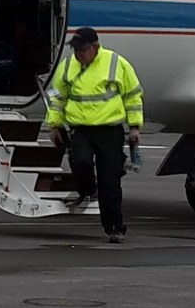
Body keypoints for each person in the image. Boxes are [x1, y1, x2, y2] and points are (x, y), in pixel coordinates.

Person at [44, 26, 145, 242]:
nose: (78, 55)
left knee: (111, 182)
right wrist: (54, 125)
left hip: (110, 131)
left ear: (96, 47)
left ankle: (114, 228)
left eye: (82, 50)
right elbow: (56, 96)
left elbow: (133, 96)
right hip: (81, 129)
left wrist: (135, 127)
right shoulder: (67, 66)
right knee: (80, 161)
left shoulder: (116, 63)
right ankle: (88, 189)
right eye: (75, 50)